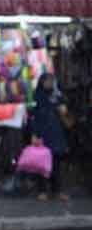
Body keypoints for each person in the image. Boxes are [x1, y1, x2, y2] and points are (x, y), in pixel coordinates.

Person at [32, 73, 69, 201]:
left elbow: (64, 111)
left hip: (56, 132)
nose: (49, 83)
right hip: (43, 133)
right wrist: (34, 134)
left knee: (56, 163)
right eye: (47, 81)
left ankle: (57, 190)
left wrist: (62, 108)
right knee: (42, 163)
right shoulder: (37, 97)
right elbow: (34, 118)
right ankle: (42, 190)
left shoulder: (57, 95)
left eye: (51, 81)